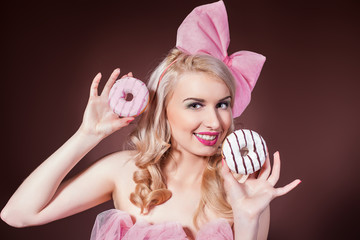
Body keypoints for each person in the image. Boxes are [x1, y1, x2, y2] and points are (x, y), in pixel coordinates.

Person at [1, 1, 300, 240]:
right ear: (162, 109)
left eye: (222, 104)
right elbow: (18, 214)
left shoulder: (245, 190)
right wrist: (87, 134)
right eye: (195, 105)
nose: (214, 121)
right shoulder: (124, 171)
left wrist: (247, 221)